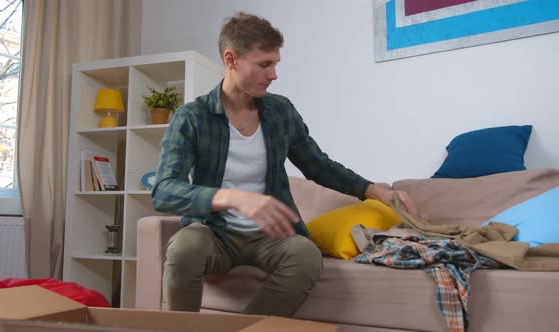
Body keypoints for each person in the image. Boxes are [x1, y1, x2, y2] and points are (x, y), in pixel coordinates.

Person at [152, 12, 417, 317]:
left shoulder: (281, 112)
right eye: (264, 64)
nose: (274, 74)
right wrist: (232, 198)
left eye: (275, 63)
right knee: (183, 249)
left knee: (305, 257)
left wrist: (377, 192)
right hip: (215, 232)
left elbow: (318, 165)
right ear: (231, 59)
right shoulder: (192, 117)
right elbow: (164, 190)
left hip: (270, 235)